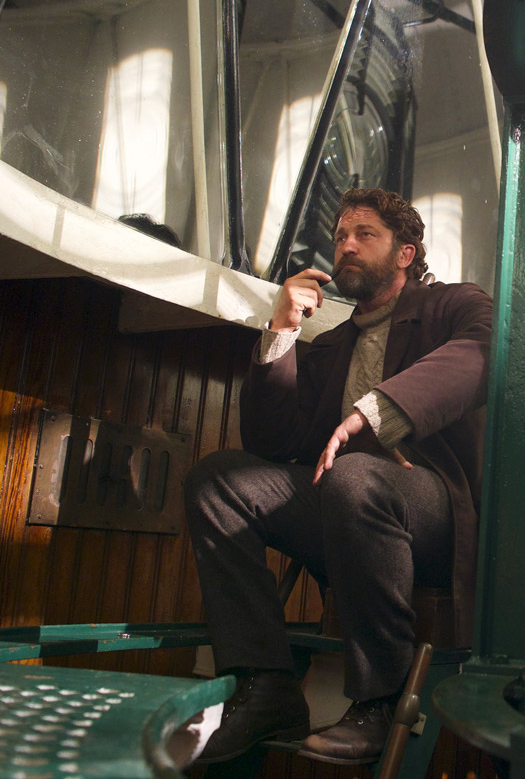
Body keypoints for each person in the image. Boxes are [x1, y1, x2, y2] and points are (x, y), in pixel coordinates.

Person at [184, 188, 492, 764]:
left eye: (365, 235)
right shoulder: (332, 343)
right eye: (341, 237)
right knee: (218, 480)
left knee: (355, 476)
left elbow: (484, 350)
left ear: (405, 252)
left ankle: (379, 699)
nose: (346, 246)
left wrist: (372, 413)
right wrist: (280, 333)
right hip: (347, 510)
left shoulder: (454, 304)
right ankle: (264, 681)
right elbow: (275, 444)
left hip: (435, 514)